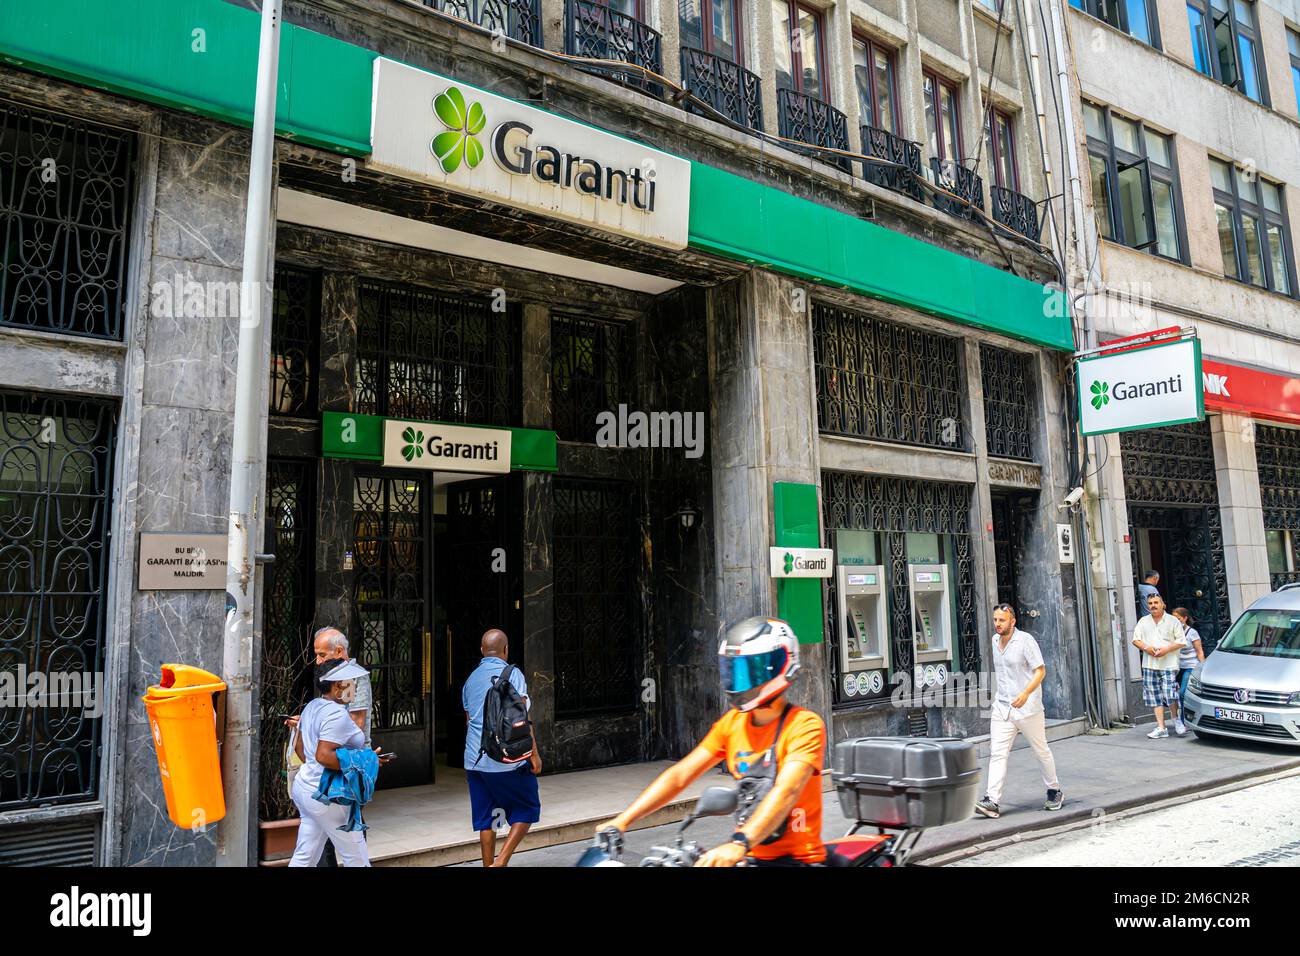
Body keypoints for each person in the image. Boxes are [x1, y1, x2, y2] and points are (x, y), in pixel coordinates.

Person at [597, 616, 826, 867]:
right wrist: (622, 821)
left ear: (780, 664)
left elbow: (787, 790)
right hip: (748, 858)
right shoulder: (732, 724)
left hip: (798, 860)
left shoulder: (804, 726)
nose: (740, 682)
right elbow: (680, 775)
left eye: (750, 671)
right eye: (735, 671)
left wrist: (739, 843)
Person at [285, 626, 373, 868]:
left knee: (307, 854)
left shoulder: (315, 705)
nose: (317, 660)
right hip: (329, 788)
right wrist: (366, 760)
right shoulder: (334, 711)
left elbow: (306, 752)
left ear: (339, 651)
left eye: (322, 655)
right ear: (337, 686)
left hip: (310, 785)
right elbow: (324, 753)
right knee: (355, 855)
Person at [462, 628, 542, 867]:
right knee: (527, 808)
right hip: (508, 760)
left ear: (482, 651)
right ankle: (501, 862)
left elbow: (469, 720)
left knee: (488, 817)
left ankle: (488, 865)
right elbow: (522, 719)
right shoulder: (513, 674)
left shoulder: (470, 680)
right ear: (505, 650)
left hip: (475, 760)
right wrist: (534, 755)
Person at [974, 604, 1062, 820]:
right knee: (997, 753)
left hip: (1027, 708)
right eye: (995, 619)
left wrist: (1025, 694)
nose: (997, 624)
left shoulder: (1025, 641)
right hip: (1003, 708)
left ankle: (1054, 790)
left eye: (1002, 620)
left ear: (1012, 621)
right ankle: (992, 800)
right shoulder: (995, 641)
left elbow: (1040, 671)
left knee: (1041, 750)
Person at [1132, 593, 1187, 738]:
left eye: (1156, 602)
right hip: (1150, 664)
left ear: (1163, 604)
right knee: (1154, 695)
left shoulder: (1173, 621)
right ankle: (1161, 727)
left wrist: (1166, 649)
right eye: (1150, 603)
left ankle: (1176, 720)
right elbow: (1136, 640)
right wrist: (1147, 648)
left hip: (1168, 664)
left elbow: (1181, 641)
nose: (1153, 606)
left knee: (1170, 693)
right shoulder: (1143, 621)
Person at [1170, 607, 1205, 710]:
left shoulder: (1192, 633)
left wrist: (1202, 668)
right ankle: (1177, 717)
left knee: (1182, 692)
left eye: (1178, 618)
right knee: (1171, 693)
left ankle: (1184, 720)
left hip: (1190, 666)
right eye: (1173, 619)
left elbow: (1200, 651)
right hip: (1177, 666)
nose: (1176, 621)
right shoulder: (1172, 633)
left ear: (1185, 618)